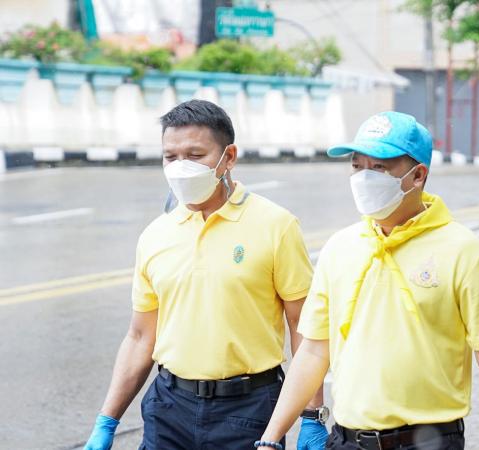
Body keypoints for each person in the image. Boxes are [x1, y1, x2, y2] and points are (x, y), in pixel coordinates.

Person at [252, 111, 479, 450]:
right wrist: (271, 437)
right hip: (348, 440)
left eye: (379, 167)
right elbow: (314, 349)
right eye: (357, 166)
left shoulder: (466, 252)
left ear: (417, 175)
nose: (364, 177)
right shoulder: (339, 248)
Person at [82, 100, 328, 450]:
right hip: (168, 407)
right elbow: (140, 336)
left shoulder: (276, 225)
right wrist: (107, 420)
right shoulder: (156, 234)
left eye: (195, 155)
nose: (181, 167)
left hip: (247, 409)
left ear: (229, 157)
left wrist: (312, 414)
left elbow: (303, 326)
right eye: (171, 157)